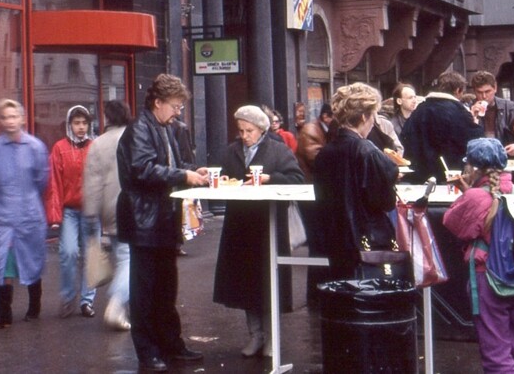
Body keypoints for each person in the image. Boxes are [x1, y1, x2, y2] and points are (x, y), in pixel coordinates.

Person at [117, 73, 208, 371]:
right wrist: (184, 175)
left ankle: (171, 344)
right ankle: (148, 350)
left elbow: (169, 164)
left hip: (162, 219)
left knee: (166, 288)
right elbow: (143, 169)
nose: (178, 111)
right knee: (145, 291)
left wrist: (194, 171)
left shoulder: (163, 127)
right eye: (175, 105)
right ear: (158, 103)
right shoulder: (139, 129)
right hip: (144, 221)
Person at [212, 105, 304, 358]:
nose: (244, 135)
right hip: (240, 225)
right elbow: (223, 177)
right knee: (245, 285)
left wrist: (270, 178)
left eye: (249, 130)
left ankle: (272, 336)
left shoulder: (277, 150)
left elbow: (297, 179)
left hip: (268, 225)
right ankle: (255, 335)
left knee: (268, 281)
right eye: (241, 130)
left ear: (261, 129)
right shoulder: (232, 152)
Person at [442, 138, 514, 374]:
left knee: (496, 354)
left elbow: (453, 223)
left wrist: (467, 193)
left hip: (488, 278)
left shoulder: (475, 197)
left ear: (474, 168)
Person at [312, 83, 400, 281]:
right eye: (373, 117)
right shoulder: (366, 150)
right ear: (363, 117)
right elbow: (385, 202)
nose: (373, 123)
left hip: (335, 239)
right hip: (367, 240)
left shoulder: (325, 152)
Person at [0, 98, 49, 329]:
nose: (10, 121)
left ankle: (34, 305)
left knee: (32, 259)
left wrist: (26, 199)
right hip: (3, 216)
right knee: (3, 262)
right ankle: (4, 314)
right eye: (5, 117)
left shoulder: (36, 147)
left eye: (14, 116)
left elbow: (42, 180)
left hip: (30, 214)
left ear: (22, 118)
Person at [82, 100, 132, 331]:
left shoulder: (97, 144)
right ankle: (117, 302)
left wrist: (91, 215)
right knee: (128, 259)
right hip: (132, 206)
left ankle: (119, 305)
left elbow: (92, 183)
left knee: (122, 256)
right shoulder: (133, 138)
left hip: (108, 212)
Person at [46, 105, 99, 318]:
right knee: (68, 252)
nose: (80, 127)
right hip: (69, 210)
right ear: (69, 125)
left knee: (91, 256)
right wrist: (55, 216)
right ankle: (68, 297)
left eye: (84, 123)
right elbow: (54, 184)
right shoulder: (59, 148)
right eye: (76, 123)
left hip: (91, 211)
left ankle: (87, 301)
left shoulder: (95, 147)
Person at [401, 71, 483, 183]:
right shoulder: (459, 112)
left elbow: (405, 138)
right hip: (449, 175)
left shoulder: (419, 110)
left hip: (420, 175)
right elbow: (473, 143)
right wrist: (475, 123)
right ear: (458, 90)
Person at [469, 71, 514, 157]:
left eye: (487, 91)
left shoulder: (510, 108)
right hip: (480, 159)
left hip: (505, 158)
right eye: (479, 92)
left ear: (495, 88)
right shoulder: (468, 108)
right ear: (474, 91)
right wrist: (471, 118)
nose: (484, 96)